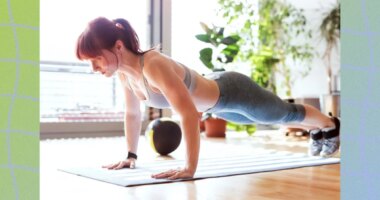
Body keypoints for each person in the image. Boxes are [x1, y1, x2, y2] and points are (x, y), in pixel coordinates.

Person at [75, 17, 340, 180]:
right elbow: (132, 115)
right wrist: (131, 155)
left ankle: (330, 125)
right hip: (219, 106)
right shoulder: (126, 75)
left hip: (232, 91)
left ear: (118, 46)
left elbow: (189, 114)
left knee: (284, 114)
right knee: (278, 121)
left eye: (96, 58)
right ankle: (318, 130)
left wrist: (189, 168)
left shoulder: (152, 65)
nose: (94, 68)